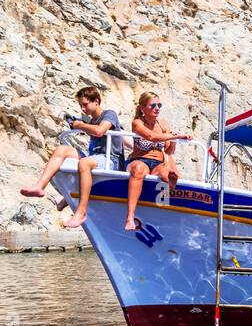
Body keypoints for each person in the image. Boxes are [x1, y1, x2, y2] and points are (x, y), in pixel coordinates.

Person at [21, 87, 123, 212]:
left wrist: (80, 125)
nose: (83, 109)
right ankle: (40, 186)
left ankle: (79, 208)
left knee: (84, 163)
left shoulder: (109, 114)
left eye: (85, 104)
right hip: (95, 158)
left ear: (96, 101)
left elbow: (99, 131)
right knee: (61, 150)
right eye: (80, 105)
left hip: (111, 159)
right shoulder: (92, 120)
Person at [118, 91, 192, 231]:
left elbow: (169, 151)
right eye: (153, 105)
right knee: (139, 170)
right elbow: (151, 137)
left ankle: (164, 212)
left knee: (167, 173)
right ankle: (130, 216)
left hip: (158, 162)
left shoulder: (163, 124)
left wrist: (174, 140)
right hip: (140, 160)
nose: (157, 108)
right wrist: (172, 136)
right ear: (142, 107)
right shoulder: (137, 123)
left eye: (159, 105)